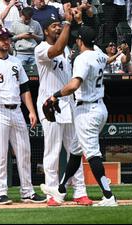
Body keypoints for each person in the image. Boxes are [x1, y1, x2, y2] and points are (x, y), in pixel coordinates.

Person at [40, 26, 118, 207]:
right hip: (98, 108)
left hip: (87, 111)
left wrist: (55, 95)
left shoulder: (83, 58)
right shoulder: (98, 53)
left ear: (81, 41)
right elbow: (107, 60)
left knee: (92, 154)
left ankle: (108, 195)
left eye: (77, 39)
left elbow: (74, 85)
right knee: (75, 152)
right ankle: (60, 191)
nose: (76, 41)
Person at [0, 27, 46, 205]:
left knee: (24, 152)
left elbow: (24, 89)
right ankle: (1, 193)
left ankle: (27, 192)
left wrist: (31, 111)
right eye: (2, 39)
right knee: (0, 153)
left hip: (16, 110)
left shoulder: (16, 62)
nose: (6, 41)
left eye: (7, 38)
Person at [34, 8, 93, 206]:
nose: (57, 28)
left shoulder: (67, 48)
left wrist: (77, 21)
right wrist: (68, 23)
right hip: (49, 105)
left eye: (59, 25)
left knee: (75, 150)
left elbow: (76, 41)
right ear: (45, 31)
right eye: (53, 26)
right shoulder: (41, 48)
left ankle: (80, 192)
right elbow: (56, 49)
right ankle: (52, 193)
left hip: (68, 104)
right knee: (52, 151)